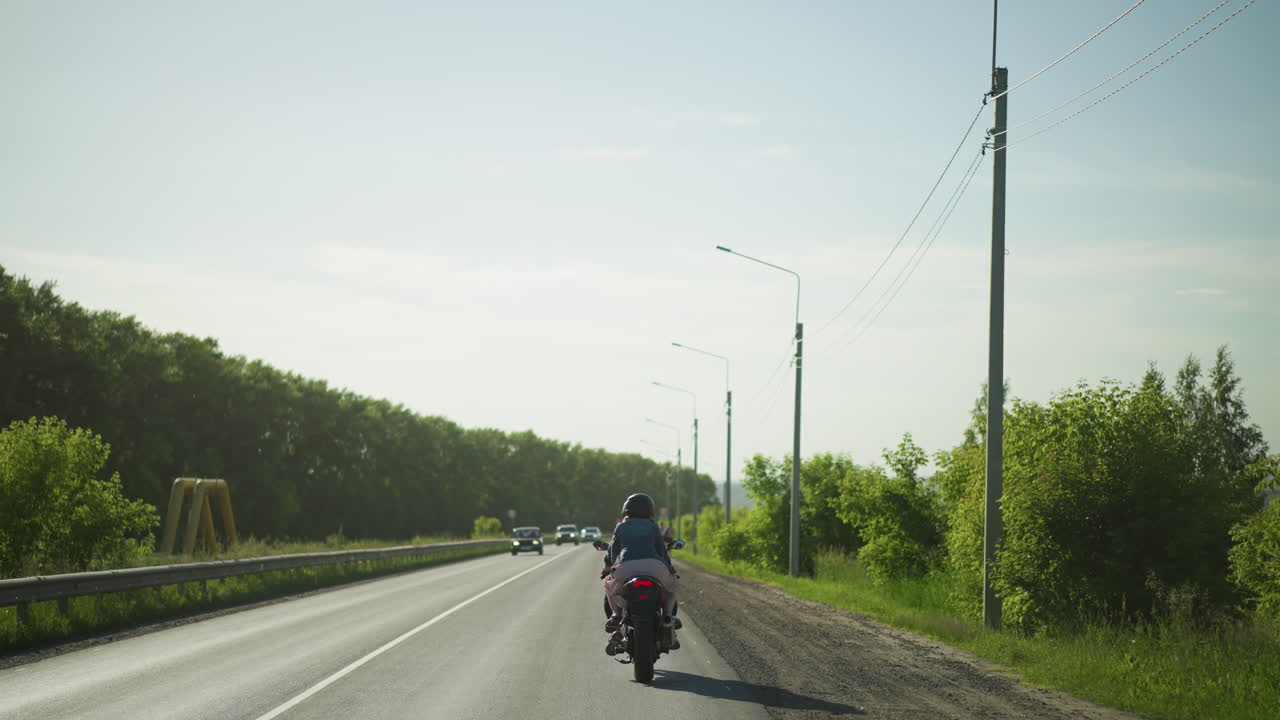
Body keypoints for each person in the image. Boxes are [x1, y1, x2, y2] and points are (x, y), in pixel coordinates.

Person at [601, 493, 681, 636]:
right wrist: (671, 570)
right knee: (672, 586)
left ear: (626, 510)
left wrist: (610, 567)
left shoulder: (620, 527)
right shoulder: (653, 527)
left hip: (626, 567)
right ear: (650, 510)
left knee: (609, 585)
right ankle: (668, 615)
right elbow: (662, 552)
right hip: (654, 567)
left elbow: (613, 554)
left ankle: (615, 615)